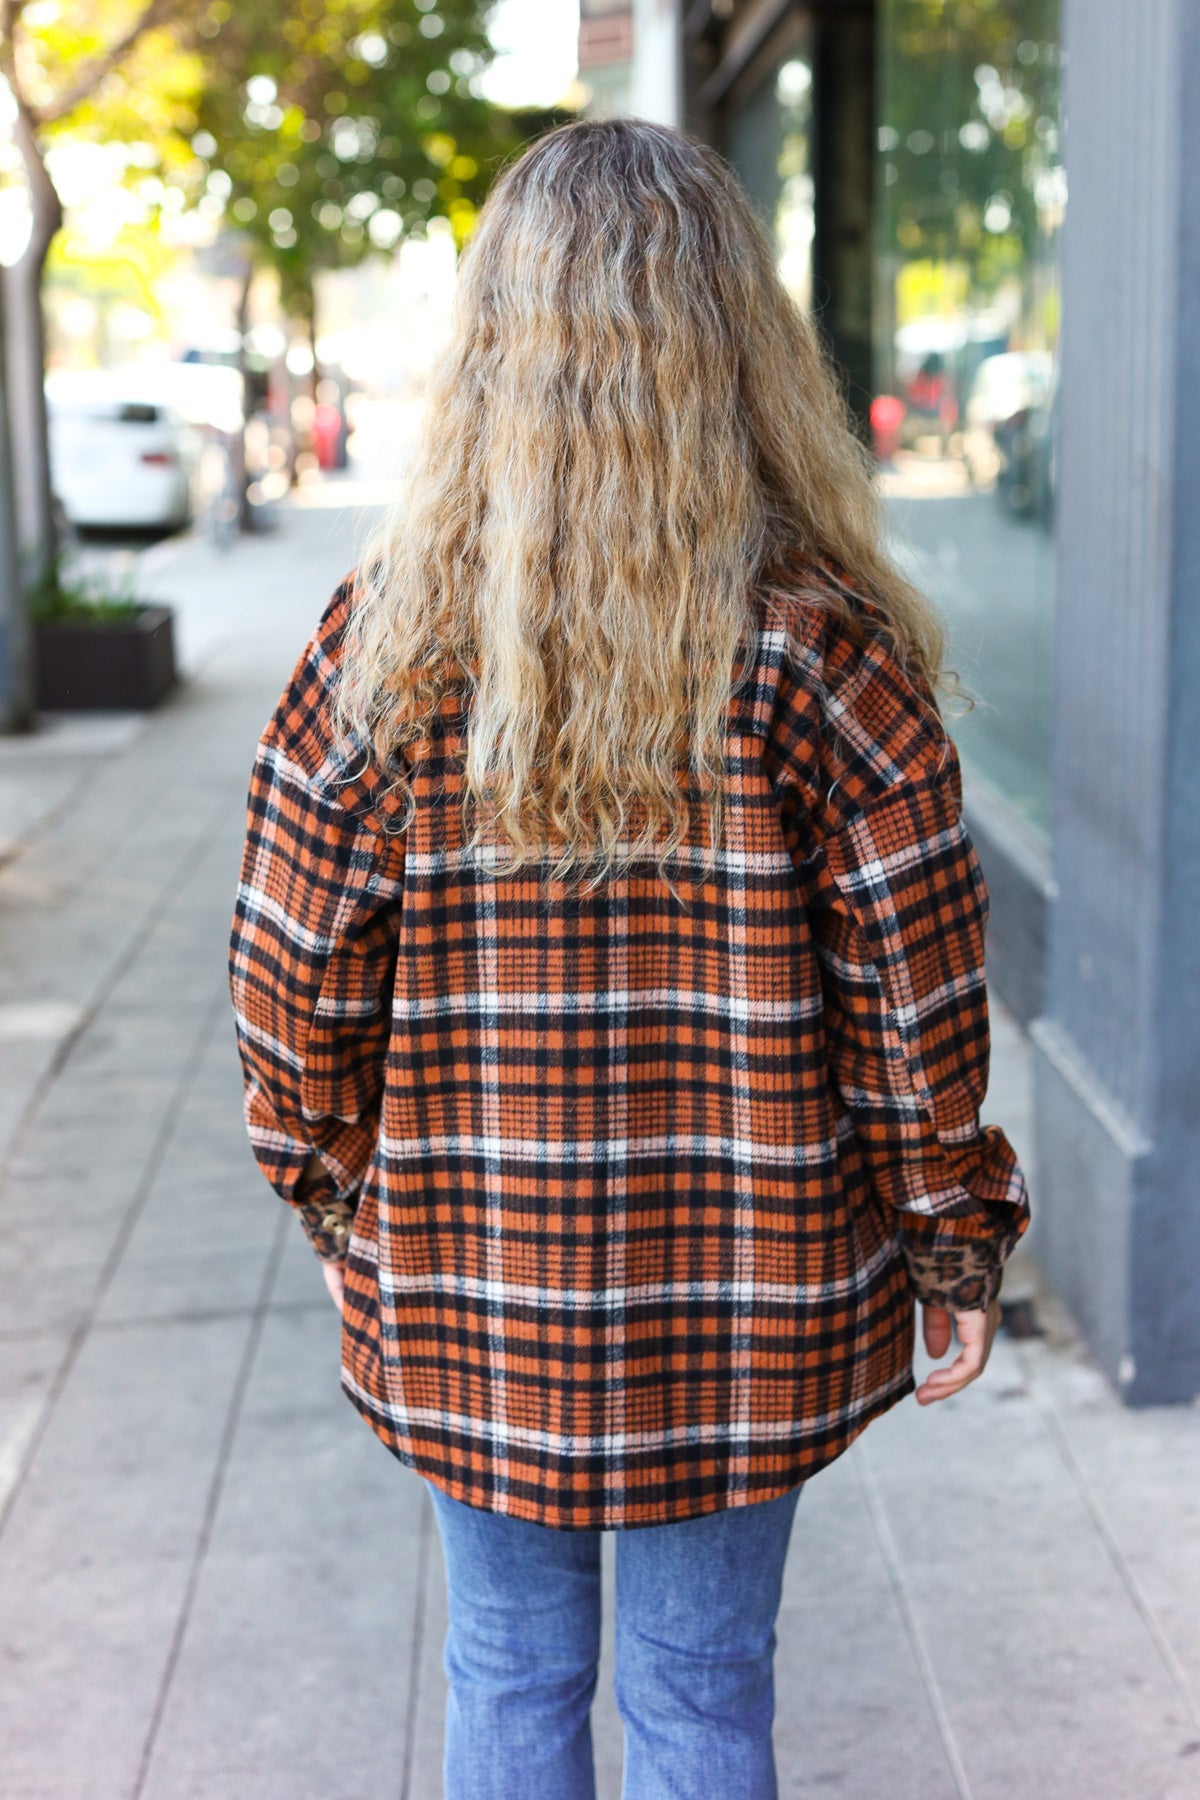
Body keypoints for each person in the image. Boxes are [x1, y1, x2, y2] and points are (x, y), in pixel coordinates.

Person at [229, 118, 1030, 1800]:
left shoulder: (383, 654)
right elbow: (921, 1009)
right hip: (753, 1293)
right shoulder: (828, 655)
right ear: (742, 341)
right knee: (703, 1698)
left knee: (507, 1676)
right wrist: (952, 1237)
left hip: (472, 1283)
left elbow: (293, 983)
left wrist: (326, 1196)